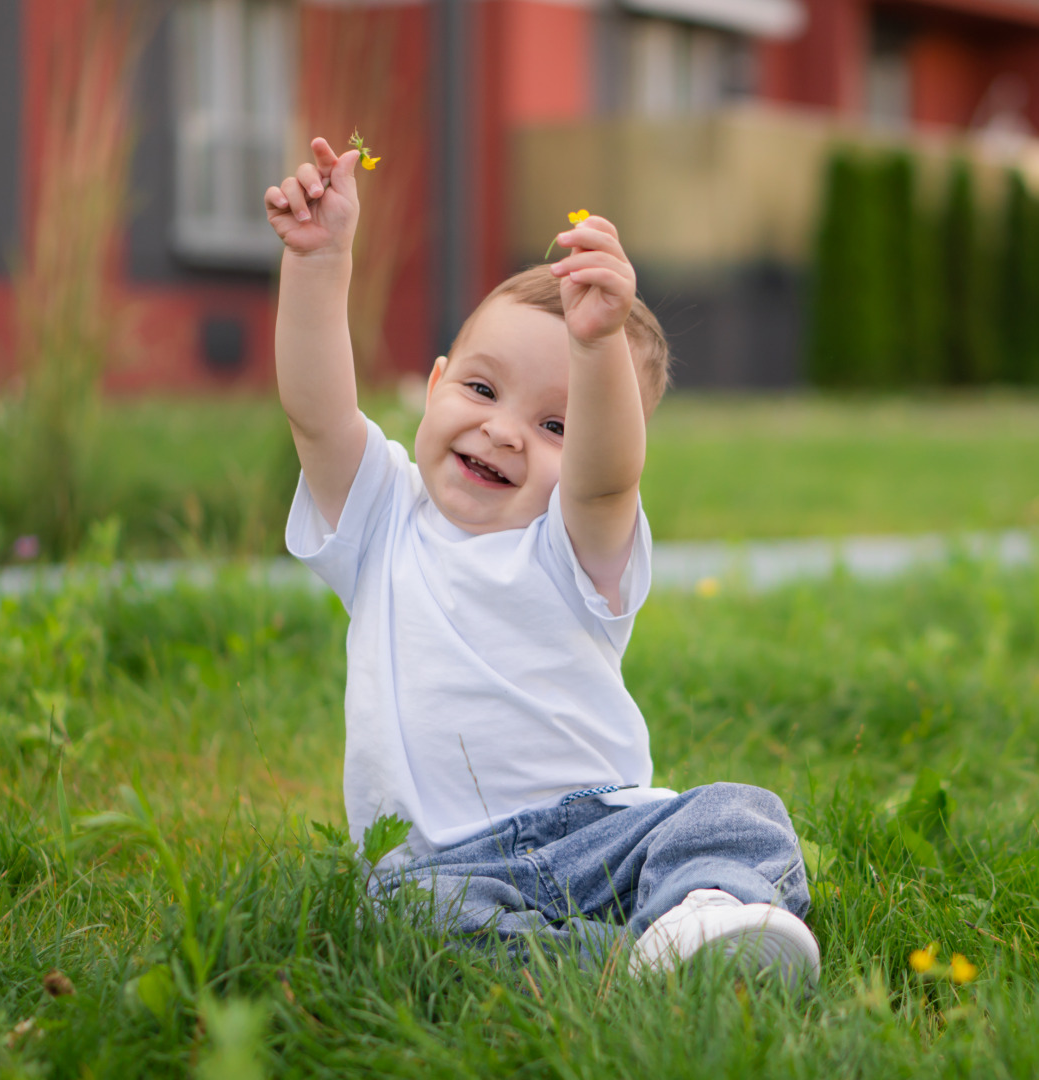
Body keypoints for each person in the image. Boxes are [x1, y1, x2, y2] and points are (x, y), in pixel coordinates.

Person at [264, 137, 819, 984]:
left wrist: (599, 350)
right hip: (446, 864)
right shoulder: (382, 518)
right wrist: (319, 259)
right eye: (480, 390)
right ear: (437, 380)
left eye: (555, 425)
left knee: (741, 815)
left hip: (603, 829)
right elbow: (315, 412)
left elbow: (604, 480)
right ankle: (636, 962)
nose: (501, 430)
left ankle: (706, 909)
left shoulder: (573, 541)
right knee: (418, 923)